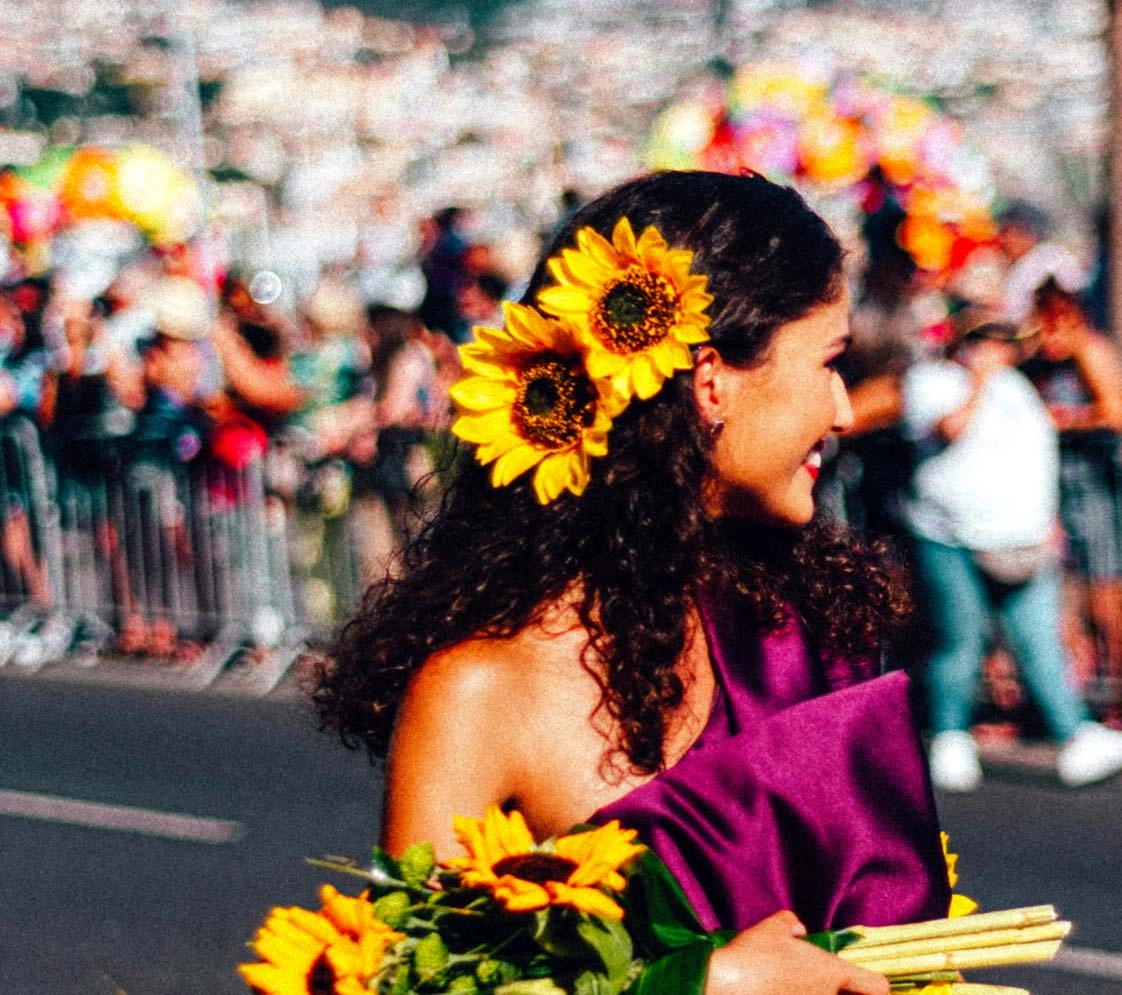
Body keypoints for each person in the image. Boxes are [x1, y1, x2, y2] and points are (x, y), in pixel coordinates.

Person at [314, 171, 952, 995]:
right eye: (830, 362)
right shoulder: (481, 689)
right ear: (710, 381)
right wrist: (699, 984)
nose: (840, 410)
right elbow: (404, 982)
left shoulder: (802, 628)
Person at [901, 320, 1122, 792]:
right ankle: (950, 737)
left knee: (1041, 641)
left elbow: (1036, 453)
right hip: (951, 535)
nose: (1000, 350)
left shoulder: (1017, 387)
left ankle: (1074, 736)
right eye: (989, 341)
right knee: (960, 640)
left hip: (1021, 535)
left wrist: (1047, 519)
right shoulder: (932, 382)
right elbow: (951, 428)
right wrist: (977, 379)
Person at [1021, 278, 1122, 726]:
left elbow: (1118, 411)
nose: (1051, 338)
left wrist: (1069, 420)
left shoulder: (1091, 351)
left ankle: (1119, 697)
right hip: (1054, 490)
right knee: (1057, 599)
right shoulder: (1037, 361)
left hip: (1097, 487)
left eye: (1058, 327)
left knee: (1106, 595)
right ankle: (1070, 696)